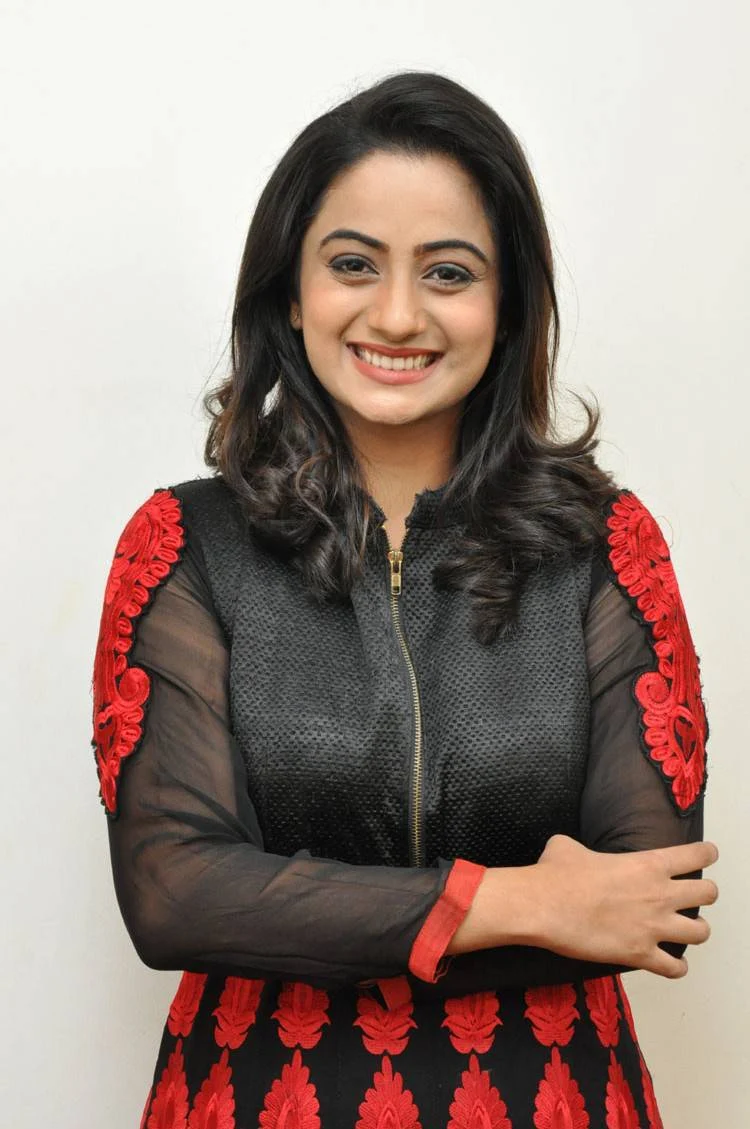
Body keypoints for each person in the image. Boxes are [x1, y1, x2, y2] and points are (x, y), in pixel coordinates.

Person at [91, 71, 719, 1128]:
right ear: (292, 292)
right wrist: (518, 900)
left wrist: (294, 905)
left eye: (448, 272)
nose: (395, 314)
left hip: (550, 1099)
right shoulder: (187, 545)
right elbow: (174, 895)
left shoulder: (605, 545)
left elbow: (645, 899)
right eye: (352, 264)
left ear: (507, 306)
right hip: (258, 1101)